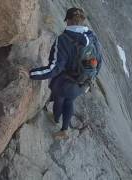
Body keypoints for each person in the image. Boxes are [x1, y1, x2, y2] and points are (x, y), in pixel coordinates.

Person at [29, 7, 103, 140]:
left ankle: (56, 119)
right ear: (82, 21)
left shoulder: (63, 39)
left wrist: (31, 74)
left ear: (68, 20)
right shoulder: (92, 36)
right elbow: (99, 60)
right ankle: (64, 130)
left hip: (66, 82)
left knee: (59, 99)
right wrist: (91, 76)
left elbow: (54, 69)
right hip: (83, 81)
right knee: (70, 101)